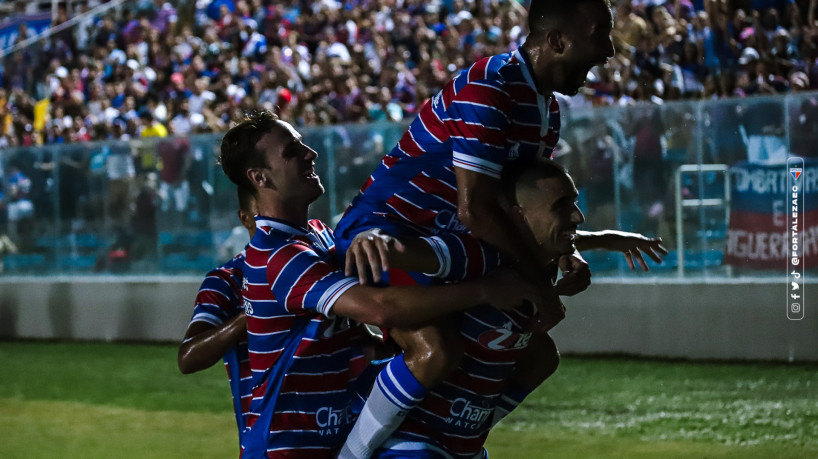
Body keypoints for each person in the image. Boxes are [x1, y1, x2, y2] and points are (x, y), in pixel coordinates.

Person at [337, 1, 666, 456]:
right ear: (555, 40)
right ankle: (351, 453)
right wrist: (541, 288)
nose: (609, 49)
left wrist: (566, 251)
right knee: (436, 349)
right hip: (388, 238)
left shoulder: (545, 110)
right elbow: (477, 209)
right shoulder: (488, 88)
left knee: (536, 356)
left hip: (459, 247)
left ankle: (458, 440)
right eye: (598, 33)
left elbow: (527, 208)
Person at [217, 111, 539, 457]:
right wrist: (484, 290)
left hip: (325, 434)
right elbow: (380, 308)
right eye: (291, 151)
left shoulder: (319, 237)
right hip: (286, 448)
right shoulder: (278, 256)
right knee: (434, 352)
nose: (310, 153)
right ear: (260, 178)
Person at [373, 159, 587, 457]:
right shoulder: (478, 257)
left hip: (462, 446)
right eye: (562, 206)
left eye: (574, 203)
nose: (578, 216)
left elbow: (578, 238)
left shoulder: (547, 263)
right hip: (413, 442)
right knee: (437, 352)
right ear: (518, 217)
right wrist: (369, 238)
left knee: (544, 356)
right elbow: (397, 254)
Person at [177, 186, 258, 450]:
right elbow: (187, 358)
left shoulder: (318, 261)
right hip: (268, 444)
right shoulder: (227, 280)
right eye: (265, 211)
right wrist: (251, 314)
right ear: (245, 218)